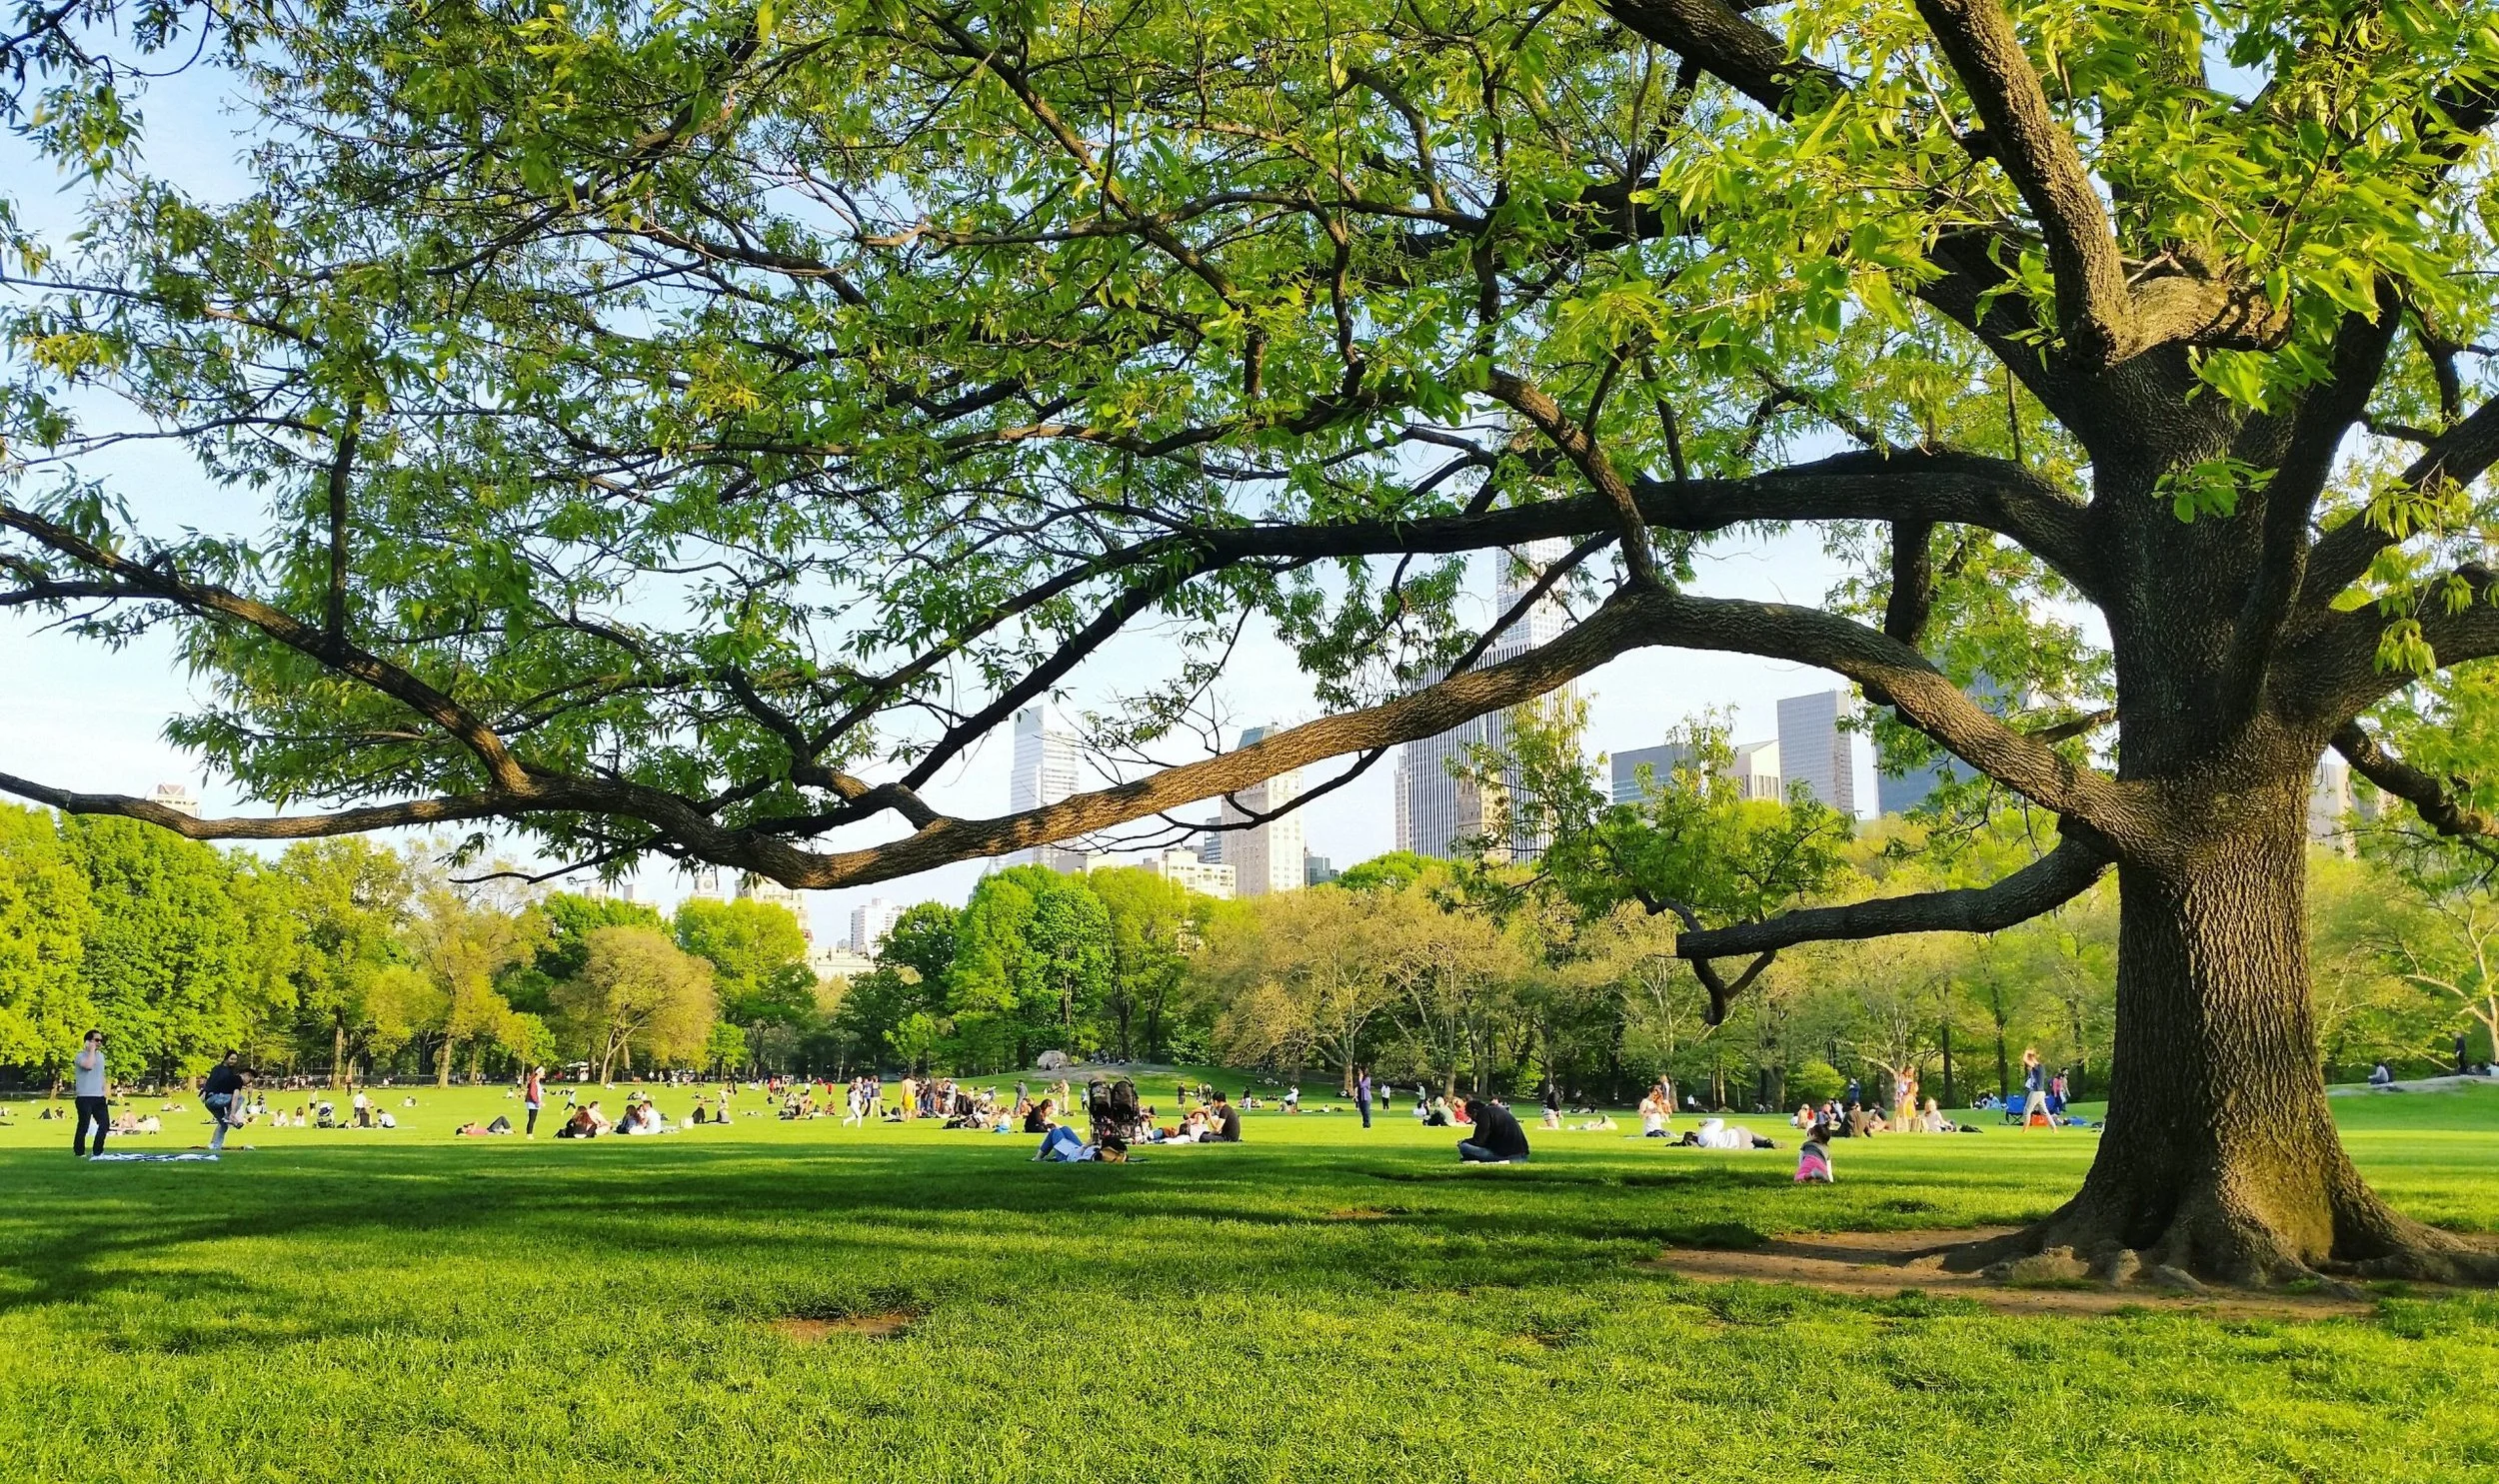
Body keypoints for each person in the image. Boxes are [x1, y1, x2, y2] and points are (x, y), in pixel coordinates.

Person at [200, 1049, 247, 1153]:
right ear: (226, 1058)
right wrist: (205, 1091)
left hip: (214, 1101)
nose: (233, 1061)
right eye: (231, 1059)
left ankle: (214, 1146)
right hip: (214, 1098)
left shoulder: (230, 1072)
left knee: (223, 1125)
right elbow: (212, 1081)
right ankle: (229, 1117)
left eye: (235, 1059)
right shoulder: (219, 1069)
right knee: (240, 1098)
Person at [1456, 1097, 1529, 1164]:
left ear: (1475, 1111)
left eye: (1470, 1116)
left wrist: (1464, 1141)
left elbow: (1479, 1141)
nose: (1472, 1120)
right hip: (1521, 1154)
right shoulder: (1496, 1110)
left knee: (1464, 1147)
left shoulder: (1484, 1114)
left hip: (1506, 1155)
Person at [73, 1029, 110, 1158]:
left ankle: (98, 1151)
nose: (99, 1043)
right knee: (84, 1125)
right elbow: (88, 1065)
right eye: (96, 1040)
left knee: (105, 1124)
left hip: (98, 1097)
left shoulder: (101, 1056)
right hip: (84, 1097)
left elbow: (100, 1073)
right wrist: (92, 1050)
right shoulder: (80, 1056)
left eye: (101, 1041)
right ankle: (79, 1152)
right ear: (88, 1042)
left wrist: (104, 1090)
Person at [2020, 1048, 2051, 1125]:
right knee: (2045, 1112)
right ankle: (2054, 1128)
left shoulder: (2038, 1067)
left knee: (2027, 1111)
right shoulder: (2039, 1068)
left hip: (2036, 1092)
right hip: (2040, 1092)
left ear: (2032, 1058)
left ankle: (2024, 1129)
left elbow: (2025, 1059)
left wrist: (2027, 1052)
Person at [524, 1066, 546, 1138]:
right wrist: (538, 1102)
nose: (544, 1073)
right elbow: (532, 1093)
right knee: (532, 1119)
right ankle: (529, 1134)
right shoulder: (534, 1082)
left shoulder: (536, 1082)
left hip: (534, 1102)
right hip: (532, 1102)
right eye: (543, 1072)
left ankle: (529, 1133)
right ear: (538, 1073)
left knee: (533, 1119)